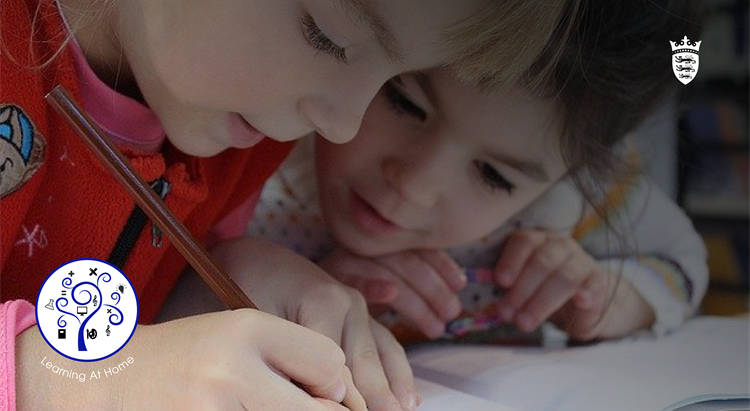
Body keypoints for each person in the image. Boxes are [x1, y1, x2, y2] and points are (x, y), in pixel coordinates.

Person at [0, 0, 574, 410]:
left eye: (393, 78)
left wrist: (218, 282)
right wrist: (64, 382)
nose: (344, 125)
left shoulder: (239, 135)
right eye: (329, 37)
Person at [233, 0, 709, 343]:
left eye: (494, 176)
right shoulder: (257, 142)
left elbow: (684, 261)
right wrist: (294, 290)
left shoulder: (569, 203)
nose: (415, 186)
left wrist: (613, 299)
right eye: (404, 103)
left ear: (570, 175)